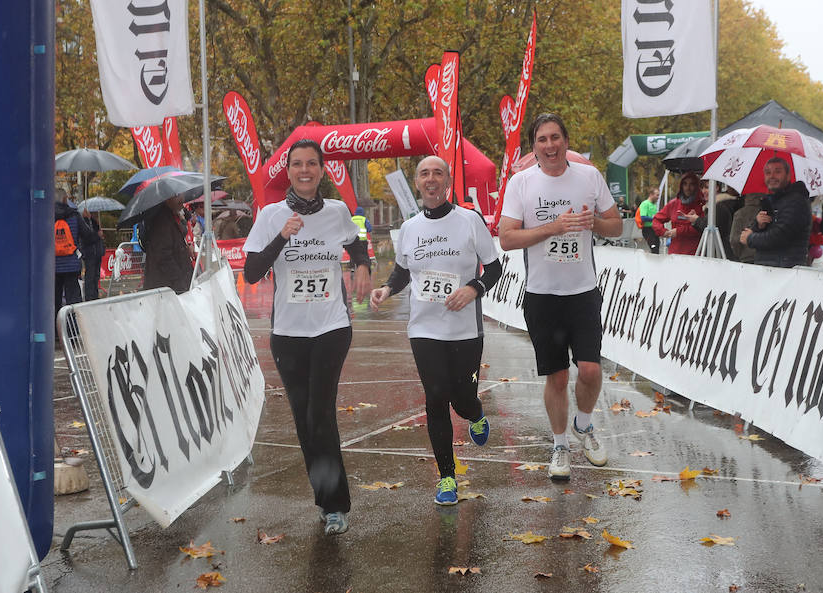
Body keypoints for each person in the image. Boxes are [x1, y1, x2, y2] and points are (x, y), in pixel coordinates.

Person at [243, 139, 371, 535]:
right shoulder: (269, 215)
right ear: (289, 171)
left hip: (332, 326)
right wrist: (281, 236)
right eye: (297, 164)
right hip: (288, 334)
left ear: (321, 170)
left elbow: (356, 242)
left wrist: (364, 265)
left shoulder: (336, 211)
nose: (304, 170)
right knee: (304, 420)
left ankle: (336, 506)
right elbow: (250, 273)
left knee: (320, 413)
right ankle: (325, 497)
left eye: (311, 164)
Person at [370, 156, 501, 506]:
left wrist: (473, 288)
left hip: (465, 330)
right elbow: (402, 272)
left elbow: (494, 268)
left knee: (461, 398)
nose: (431, 179)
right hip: (424, 329)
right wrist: (386, 289)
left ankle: (474, 413)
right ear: (417, 183)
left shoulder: (469, 221)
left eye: (437, 173)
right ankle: (447, 478)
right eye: (424, 174)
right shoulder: (410, 227)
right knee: (435, 397)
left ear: (447, 181)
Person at [498, 113, 622, 480]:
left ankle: (584, 427)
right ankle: (560, 445)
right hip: (543, 296)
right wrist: (553, 227)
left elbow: (616, 226)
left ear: (566, 141)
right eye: (542, 140)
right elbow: (506, 238)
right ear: (534, 146)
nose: (549, 146)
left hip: (583, 293)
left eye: (555, 138)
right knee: (556, 378)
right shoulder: (521, 183)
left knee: (590, 369)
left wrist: (593, 224)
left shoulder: (589, 177)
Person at [739, 157, 812, 268]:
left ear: (788, 176)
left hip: (786, 271)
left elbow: (781, 236)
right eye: (768, 172)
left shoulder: (797, 201)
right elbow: (751, 232)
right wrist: (758, 225)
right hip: (770, 269)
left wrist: (751, 239)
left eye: (777, 172)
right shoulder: (770, 201)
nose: (772, 176)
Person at [142, 195, 194, 293]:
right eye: (177, 195)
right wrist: (180, 282)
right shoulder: (161, 221)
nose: (182, 199)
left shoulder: (170, 216)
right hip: (166, 290)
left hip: (169, 288)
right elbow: (163, 256)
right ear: (167, 198)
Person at [54, 188, 92, 320]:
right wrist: (88, 220)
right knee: (72, 299)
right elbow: (88, 236)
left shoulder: (46, 217)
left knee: (55, 299)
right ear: (65, 200)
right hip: (71, 264)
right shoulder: (74, 215)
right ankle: (71, 330)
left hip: (53, 265)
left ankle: (56, 330)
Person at [651, 172, 705, 255]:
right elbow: (656, 220)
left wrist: (678, 231)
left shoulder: (702, 205)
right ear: (681, 186)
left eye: (691, 184)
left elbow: (703, 227)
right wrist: (663, 231)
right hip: (674, 253)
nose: (688, 188)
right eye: (685, 184)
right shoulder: (673, 204)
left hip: (694, 254)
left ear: (696, 186)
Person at [684, 186, 742, 260]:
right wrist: (696, 220)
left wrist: (697, 220)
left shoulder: (720, 206)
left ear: (717, 188)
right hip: (721, 253)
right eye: (702, 188)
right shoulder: (721, 204)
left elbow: (711, 228)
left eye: (707, 187)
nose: (703, 191)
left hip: (720, 255)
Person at [80, 207, 105, 300]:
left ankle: (95, 295)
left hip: (97, 252)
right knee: (90, 276)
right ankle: (89, 297)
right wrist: (97, 236)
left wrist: (96, 224)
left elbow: (97, 233)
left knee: (96, 276)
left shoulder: (94, 222)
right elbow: (87, 238)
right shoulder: (84, 222)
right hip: (90, 253)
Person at [637, 188, 661, 254]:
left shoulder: (654, 205)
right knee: (653, 247)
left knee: (657, 248)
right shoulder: (645, 204)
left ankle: (655, 263)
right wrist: (654, 219)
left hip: (654, 229)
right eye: (657, 195)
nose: (658, 197)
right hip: (647, 230)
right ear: (651, 195)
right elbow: (643, 217)